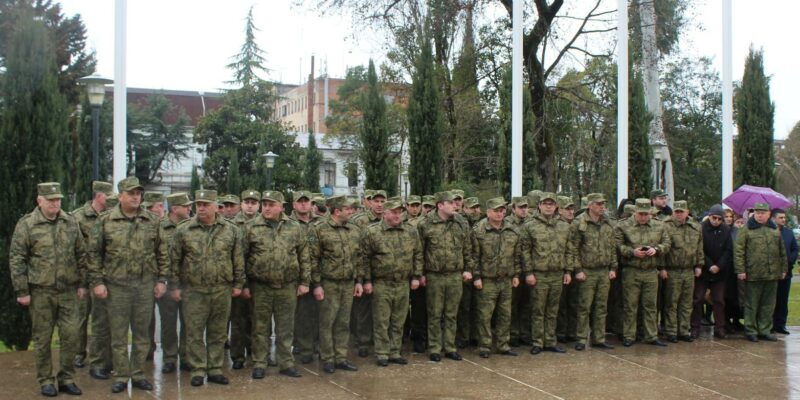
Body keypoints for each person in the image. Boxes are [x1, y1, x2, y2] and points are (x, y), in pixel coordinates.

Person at [87, 176, 169, 394]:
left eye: (138, 193)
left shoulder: (152, 221)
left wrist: (162, 280)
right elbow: (93, 254)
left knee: (142, 334)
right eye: (131, 193)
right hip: (117, 286)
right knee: (119, 334)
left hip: (144, 286)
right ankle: (122, 375)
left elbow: (162, 252)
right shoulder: (105, 221)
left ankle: (139, 374)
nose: (135, 197)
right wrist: (97, 282)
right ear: (120, 196)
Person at [10, 182, 86, 397]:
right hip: (41, 292)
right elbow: (17, 259)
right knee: (42, 338)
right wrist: (22, 291)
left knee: (71, 336)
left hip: (68, 290)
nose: (55, 203)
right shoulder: (27, 224)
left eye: (58, 199)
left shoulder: (70, 222)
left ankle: (66, 378)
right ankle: (45, 379)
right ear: (40, 201)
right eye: (51, 200)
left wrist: (82, 283)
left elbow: (81, 254)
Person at [243, 190, 310, 379]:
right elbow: (242, 257)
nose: (267, 208)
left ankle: (286, 363)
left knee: (285, 327)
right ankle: (260, 362)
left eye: (271, 205)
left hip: (287, 286)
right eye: (264, 204)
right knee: (260, 327)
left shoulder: (294, 227)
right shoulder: (251, 227)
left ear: (282, 206)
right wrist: (245, 285)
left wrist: (305, 282)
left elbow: (304, 256)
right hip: (260, 286)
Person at [361, 198, 423, 366]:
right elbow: (365, 259)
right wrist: (366, 281)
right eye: (394, 212)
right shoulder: (372, 232)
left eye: (399, 212)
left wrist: (416, 276)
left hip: (403, 283)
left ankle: (395, 351)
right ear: (385, 213)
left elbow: (418, 254)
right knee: (382, 320)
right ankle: (382, 353)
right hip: (382, 283)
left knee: (398, 320)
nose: (398, 215)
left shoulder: (410, 231)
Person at [308, 196, 364, 373]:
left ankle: (340, 357)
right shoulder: (319, 229)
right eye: (348, 208)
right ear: (337, 210)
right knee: (327, 322)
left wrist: (359, 281)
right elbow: (313, 259)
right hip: (328, 283)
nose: (351, 211)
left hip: (348, 283)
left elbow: (359, 257)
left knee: (343, 322)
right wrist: (316, 284)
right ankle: (328, 358)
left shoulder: (354, 230)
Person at [417, 191, 473, 362]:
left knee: (451, 313)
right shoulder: (425, 223)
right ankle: (435, 348)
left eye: (456, 202)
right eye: (450, 202)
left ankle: (450, 347)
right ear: (440, 205)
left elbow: (467, 248)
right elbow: (419, 251)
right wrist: (420, 274)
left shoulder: (461, 222)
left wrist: (468, 269)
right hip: (435, 275)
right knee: (434, 313)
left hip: (455, 275)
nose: (455, 205)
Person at [520, 192, 572, 354]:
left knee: (553, 310)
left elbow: (569, 251)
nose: (548, 206)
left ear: (556, 206)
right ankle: (537, 342)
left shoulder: (564, 226)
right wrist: (528, 272)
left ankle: (550, 340)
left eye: (551, 203)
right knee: (538, 310)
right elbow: (525, 251)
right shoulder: (530, 225)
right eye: (545, 203)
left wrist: (568, 271)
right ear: (539, 206)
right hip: (539, 274)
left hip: (557, 273)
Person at [70, 180, 113, 377]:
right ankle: (78, 353)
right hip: (83, 276)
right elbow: (72, 251)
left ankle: (101, 355)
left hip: (102, 276)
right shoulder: (78, 217)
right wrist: (79, 281)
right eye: (108, 195)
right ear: (98, 196)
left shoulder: (109, 216)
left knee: (101, 319)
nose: (111, 198)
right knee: (81, 317)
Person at [615, 198, 671, 347]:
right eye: (641, 214)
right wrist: (632, 252)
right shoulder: (623, 225)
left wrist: (657, 249)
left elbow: (667, 243)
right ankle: (629, 335)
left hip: (651, 271)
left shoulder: (659, 226)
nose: (644, 217)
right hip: (631, 270)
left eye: (647, 214)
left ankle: (651, 335)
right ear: (635, 212)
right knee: (630, 305)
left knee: (650, 305)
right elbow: (617, 246)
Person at [471, 197, 522, 358]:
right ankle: (485, 345)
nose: (500, 213)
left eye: (502, 210)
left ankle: (503, 344)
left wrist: (516, 274)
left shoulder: (512, 229)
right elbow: (473, 256)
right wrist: (476, 277)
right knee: (485, 314)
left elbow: (517, 255)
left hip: (506, 279)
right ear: (488, 212)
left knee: (505, 313)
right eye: (496, 210)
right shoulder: (479, 230)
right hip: (487, 279)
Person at [568, 193, 617, 351]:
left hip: (603, 270)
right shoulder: (579, 223)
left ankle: (599, 338)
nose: (602, 206)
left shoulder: (607, 223)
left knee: (601, 306)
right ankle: (582, 338)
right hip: (587, 271)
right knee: (584, 306)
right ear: (589, 205)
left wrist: (613, 267)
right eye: (598, 204)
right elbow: (573, 249)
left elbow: (612, 247)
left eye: (603, 203)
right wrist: (578, 269)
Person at [735, 202, 788, 342]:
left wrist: (783, 269)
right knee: (752, 304)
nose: (760, 215)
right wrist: (741, 270)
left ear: (769, 214)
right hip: (753, 273)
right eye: (757, 212)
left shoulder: (774, 229)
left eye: (763, 213)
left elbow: (781, 251)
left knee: (768, 304)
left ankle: (765, 329)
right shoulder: (746, 230)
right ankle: (751, 330)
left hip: (772, 273)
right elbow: (739, 251)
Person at [156, 192, 193, 374]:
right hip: (168, 283)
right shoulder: (159, 227)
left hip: (188, 284)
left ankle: (186, 357)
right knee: (168, 323)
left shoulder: (191, 226)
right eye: (186, 206)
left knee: (189, 322)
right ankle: (170, 358)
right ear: (174, 209)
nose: (190, 209)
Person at [349, 189, 386, 357]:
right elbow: (356, 250)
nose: (379, 204)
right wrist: (360, 277)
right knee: (363, 309)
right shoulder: (359, 221)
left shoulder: (392, 219)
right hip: (364, 271)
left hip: (384, 273)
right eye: (375, 201)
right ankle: (363, 340)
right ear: (368, 202)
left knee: (383, 311)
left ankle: (380, 341)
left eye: (382, 201)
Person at [662, 201, 703, 343]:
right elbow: (663, 249)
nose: (678, 214)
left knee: (686, 303)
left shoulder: (695, 227)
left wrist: (699, 265)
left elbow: (699, 248)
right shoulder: (666, 226)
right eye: (676, 211)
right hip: (673, 269)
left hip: (688, 270)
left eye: (681, 212)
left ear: (687, 212)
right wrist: (662, 268)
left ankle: (684, 330)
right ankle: (671, 331)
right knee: (671, 302)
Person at [229, 189, 260, 370]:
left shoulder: (262, 223)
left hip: (258, 281)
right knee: (238, 321)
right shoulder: (232, 225)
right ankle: (238, 356)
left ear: (258, 205)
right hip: (239, 281)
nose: (250, 205)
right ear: (241, 204)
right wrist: (241, 283)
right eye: (247, 202)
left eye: (253, 202)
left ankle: (256, 354)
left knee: (257, 321)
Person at [290, 191, 322, 365]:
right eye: (299, 202)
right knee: (301, 315)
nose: (303, 204)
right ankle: (302, 346)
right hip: (298, 277)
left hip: (318, 276)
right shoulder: (287, 224)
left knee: (318, 313)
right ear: (294, 204)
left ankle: (316, 344)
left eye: (306, 201)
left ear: (312, 204)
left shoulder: (321, 223)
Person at [692, 204, 732, 339]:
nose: (716, 221)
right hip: (704, 270)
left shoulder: (726, 230)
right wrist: (709, 265)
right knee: (698, 299)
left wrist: (719, 266)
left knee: (719, 300)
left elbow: (728, 250)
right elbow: (699, 249)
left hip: (720, 272)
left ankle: (720, 328)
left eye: (720, 219)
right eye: (714, 218)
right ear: (709, 217)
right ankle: (695, 327)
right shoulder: (701, 229)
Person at [506, 196, 531, 347]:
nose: (524, 210)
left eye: (526, 207)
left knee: (527, 304)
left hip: (528, 269)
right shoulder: (507, 223)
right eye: (520, 207)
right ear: (513, 208)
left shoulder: (531, 223)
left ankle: (525, 333)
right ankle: (513, 334)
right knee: (512, 304)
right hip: (513, 269)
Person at [771, 209, 799, 335]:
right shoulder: (769, 232)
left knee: (783, 300)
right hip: (771, 272)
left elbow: (795, 249)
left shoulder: (788, 233)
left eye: (784, 217)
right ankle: (769, 324)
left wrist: (790, 261)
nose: (783, 219)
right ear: (773, 218)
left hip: (786, 272)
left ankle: (780, 325)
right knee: (771, 300)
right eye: (781, 217)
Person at [556, 195, 578, 343]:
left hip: (578, 269)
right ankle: (561, 332)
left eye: (572, 208)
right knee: (561, 304)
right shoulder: (557, 226)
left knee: (575, 303)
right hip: (562, 269)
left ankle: (572, 332)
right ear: (559, 211)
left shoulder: (577, 225)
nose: (571, 212)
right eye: (567, 209)